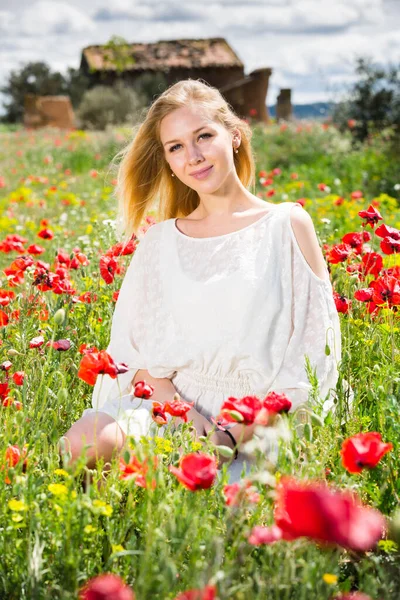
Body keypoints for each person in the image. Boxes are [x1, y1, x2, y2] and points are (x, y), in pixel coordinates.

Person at [59, 79, 341, 484]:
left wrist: (227, 436)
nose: (192, 156)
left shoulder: (286, 225)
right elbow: (135, 360)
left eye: (203, 136)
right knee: (84, 440)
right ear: (169, 161)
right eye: (176, 147)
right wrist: (194, 428)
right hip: (171, 411)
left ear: (235, 135)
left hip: (258, 425)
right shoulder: (160, 242)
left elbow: (313, 355)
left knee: (234, 508)